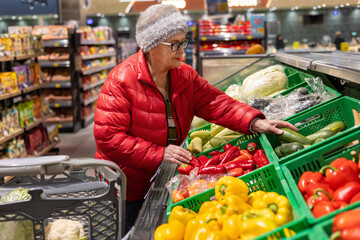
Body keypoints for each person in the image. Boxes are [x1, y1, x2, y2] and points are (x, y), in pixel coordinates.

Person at [93, 4, 297, 233]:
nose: (182, 50)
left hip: (162, 173)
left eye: (183, 42)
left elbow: (216, 103)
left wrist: (255, 121)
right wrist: (159, 153)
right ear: (151, 46)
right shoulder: (121, 81)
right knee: (132, 230)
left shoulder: (184, 75)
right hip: (128, 184)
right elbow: (108, 137)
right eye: (175, 45)